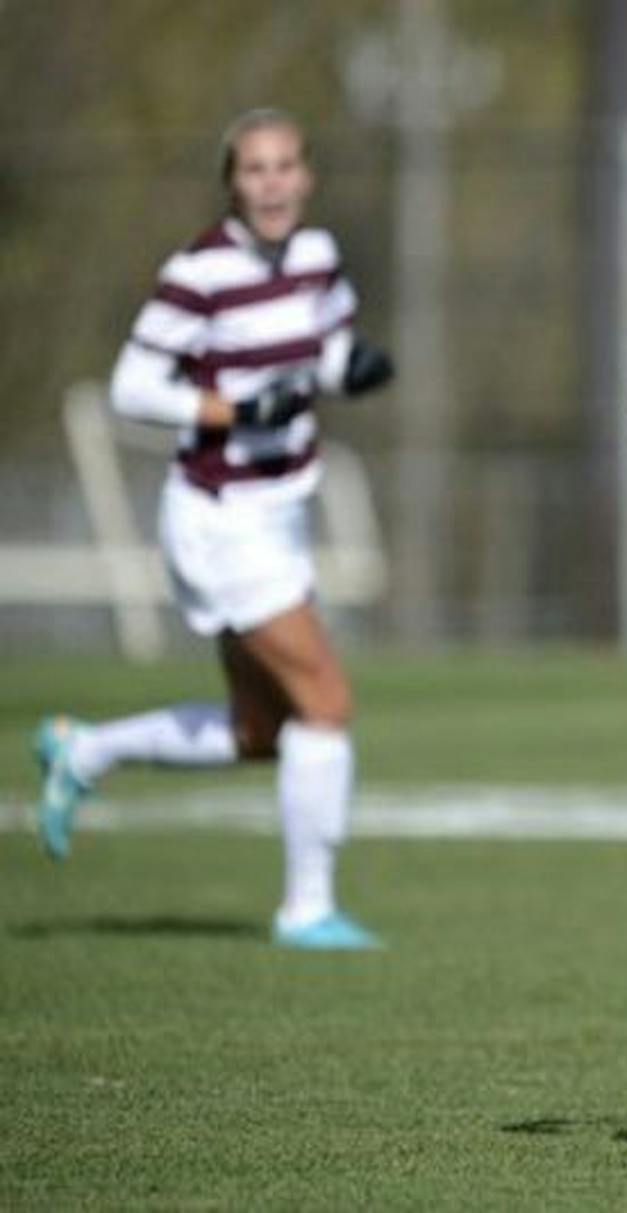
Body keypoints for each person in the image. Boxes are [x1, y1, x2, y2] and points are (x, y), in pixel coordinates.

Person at [31, 109, 396, 951]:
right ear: (232, 182)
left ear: (305, 175)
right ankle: (308, 908)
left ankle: (83, 750)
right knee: (326, 703)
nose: (271, 182)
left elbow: (326, 345)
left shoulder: (316, 254)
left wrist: (353, 367)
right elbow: (129, 387)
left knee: (259, 731)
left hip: (284, 509)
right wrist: (229, 407)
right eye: (253, 169)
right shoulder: (198, 271)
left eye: (285, 166)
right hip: (221, 518)